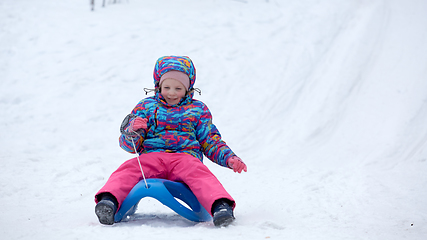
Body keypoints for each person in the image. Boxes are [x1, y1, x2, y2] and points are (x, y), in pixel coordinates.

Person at [94, 56, 247, 227]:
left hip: (185, 158)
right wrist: (132, 131)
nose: (172, 93)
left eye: (178, 88)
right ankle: (109, 201)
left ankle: (220, 205)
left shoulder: (198, 110)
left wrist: (229, 158)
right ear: (158, 85)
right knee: (129, 169)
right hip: (152, 157)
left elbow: (210, 140)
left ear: (189, 89)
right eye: (167, 87)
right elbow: (129, 146)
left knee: (199, 173)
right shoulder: (146, 107)